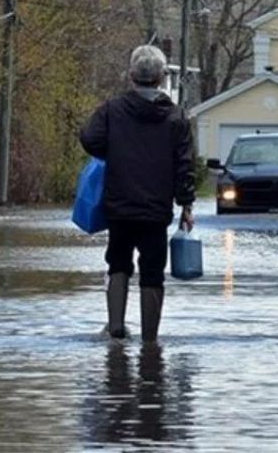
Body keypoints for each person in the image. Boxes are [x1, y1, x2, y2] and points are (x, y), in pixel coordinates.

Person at [80, 45, 195, 343]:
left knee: (118, 262)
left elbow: (89, 139)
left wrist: (114, 152)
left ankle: (115, 326)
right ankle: (150, 338)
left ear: (131, 75)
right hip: (156, 209)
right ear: (161, 77)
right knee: (153, 270)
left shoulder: (112, 109)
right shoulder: (176, 118)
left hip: (119, 204)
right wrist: (186, 205)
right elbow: (184, 165)